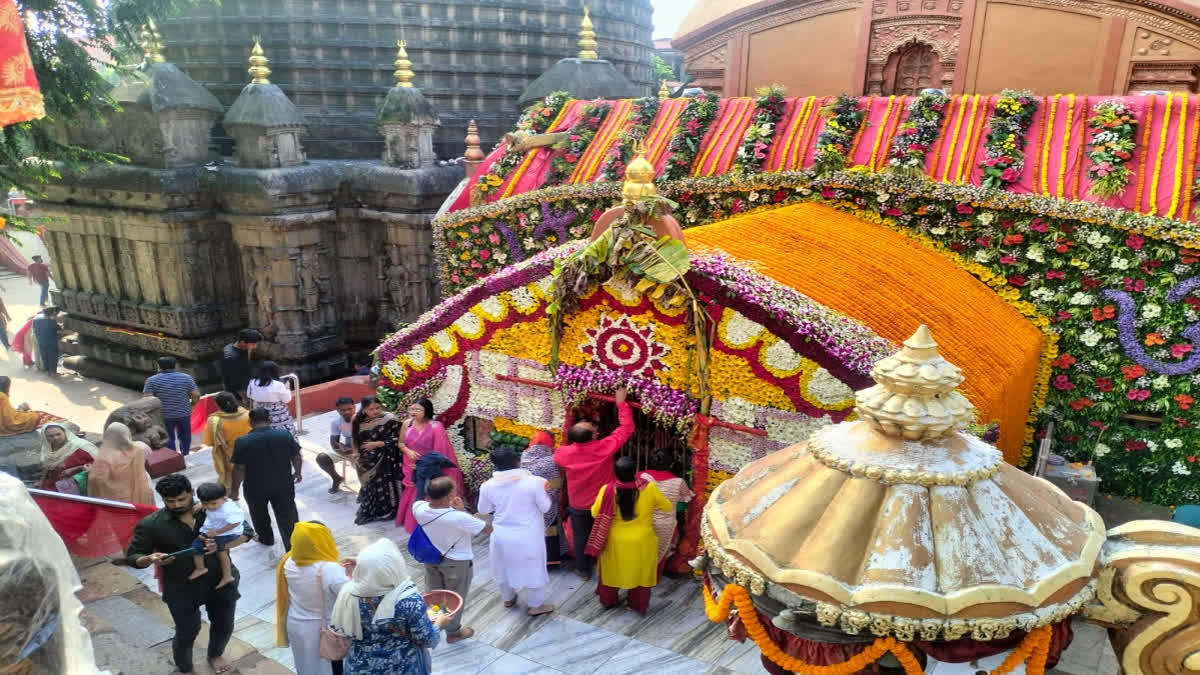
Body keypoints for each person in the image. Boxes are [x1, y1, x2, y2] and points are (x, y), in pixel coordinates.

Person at [125, 474, 254, 674]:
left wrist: (223, 544)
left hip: (220, 578)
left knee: (224, 622)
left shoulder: (215, 508)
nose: (176, 505)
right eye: (170, 501)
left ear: (192, 493)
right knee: (187, 630)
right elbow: (133, 556)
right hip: (181, 585)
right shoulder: (151, 524)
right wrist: (149, 559)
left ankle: (215, 654)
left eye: (181, 499)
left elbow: (247, 531)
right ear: (163, 499)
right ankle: (185, 666)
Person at [330, 538, 450, 675]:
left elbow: (374, 572)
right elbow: (427, 639)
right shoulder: (408, 600)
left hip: (359, 666)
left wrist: (366, 564)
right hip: (402, 667)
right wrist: (440, 622)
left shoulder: (349, 592)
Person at [554, 386, 634, 579]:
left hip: (578, 503)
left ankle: (583, 570)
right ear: (593, 437)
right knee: (608, 533)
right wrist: (621, 403)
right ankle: (607, 567)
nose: (597, 430)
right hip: (604, 503)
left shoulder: (562, 454)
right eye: (594, 430)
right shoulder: (603, 448)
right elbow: (627, 428)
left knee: (581, 537)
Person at [590, 455, 672, 615]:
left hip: (614, 540)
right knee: (641, 575)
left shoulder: (607, 490)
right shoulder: (649, 488)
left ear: (615, 473)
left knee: (611, 571)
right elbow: (667, 507)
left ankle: (608, 600)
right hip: (642, 540)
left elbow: (594, 513)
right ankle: (637, 605)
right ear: (635, 473)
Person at [477, 448, 554, 615]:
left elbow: (483, 509)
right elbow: (546, 507)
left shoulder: (487, 486)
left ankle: (508, 598)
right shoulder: (535, 482)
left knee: (503, 567)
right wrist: (548, 493)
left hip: (501, 535)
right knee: (534, 568)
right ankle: (535, 605)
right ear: (518, 461)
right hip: (529, 535)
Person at [412, 476, 489, 643]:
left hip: (431, 558)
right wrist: (461, 510)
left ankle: (435, 625)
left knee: (435, 593)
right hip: (456, 563)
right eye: (454, 489)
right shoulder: (458, 517)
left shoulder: (418, 508)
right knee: (455, 596)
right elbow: (487, 528)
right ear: (448, 496)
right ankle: (453, 633)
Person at [277, 522, 353, 675]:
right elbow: (352, 596)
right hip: (323, 631)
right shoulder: (330, 569)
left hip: (296, 625)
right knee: (330, 667)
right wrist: (351, 575)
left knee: (305, 666)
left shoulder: (289, 560)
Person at [231, 407, 302, 552]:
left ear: (250, 422)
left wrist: (234, 491)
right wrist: (298, 472)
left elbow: (238, 468)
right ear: (269, 420)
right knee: (288, 515)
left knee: (259, 514)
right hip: (283, 484)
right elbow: (296, 456)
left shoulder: (243, 442)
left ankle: (266, 539)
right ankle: (293, 546)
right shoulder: (284, 434)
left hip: (255, 487)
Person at [395, 399, 466, 533]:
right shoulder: (407, 424)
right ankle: (413, 522)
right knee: (412, 491)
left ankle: (432, 522)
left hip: (429, 465)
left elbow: (439, 451)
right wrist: (408, 451)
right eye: (411, 409)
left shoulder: (435, 426)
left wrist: (423, 464)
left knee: (428, 491)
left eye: (418, 410)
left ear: (426, 411)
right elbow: (401, 444)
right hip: (410, 462)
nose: (413, 412)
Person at [640, 448, 694, 576]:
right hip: (666, 524)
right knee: (660, 551)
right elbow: (688, 498)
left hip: (642, 520)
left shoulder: (641, 476)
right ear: (671, 465)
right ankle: (652, 577)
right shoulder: (679, 482)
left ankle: (638, 574)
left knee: (641, 549)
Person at [351, 396, 403, 525]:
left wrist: (378, 444)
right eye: (371, 409)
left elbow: (400, 440)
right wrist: (356, 453)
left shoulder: (390, 419)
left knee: (384, 485)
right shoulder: (356, 419)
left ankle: (387, 511)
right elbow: (354, 438)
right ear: (363, 409)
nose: (375, 411)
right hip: (366, 461)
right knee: (369, 486)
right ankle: (371, 511)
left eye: (378, 408)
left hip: (386, 459)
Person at [520, 431, 565, 566]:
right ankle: (550, 560)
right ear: (549, 442)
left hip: (529, 501)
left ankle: (531, 558)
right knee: (550, 530)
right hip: (547, 500)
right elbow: (556, 482)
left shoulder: (525, 456)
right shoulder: (552, 460)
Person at [188, 482, 243, 589]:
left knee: (218, 551)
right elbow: (208, 504)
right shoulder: (214, 503)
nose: (209, 506)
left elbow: (235, 523)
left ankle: (206, 570)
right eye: (205, 503)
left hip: (229, 533)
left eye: (213, 503)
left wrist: (218, 532)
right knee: (210, 547)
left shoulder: (228, 510)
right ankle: (222, 574)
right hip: (217, 529)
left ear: (224, 499)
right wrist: (201, 506)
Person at [143, 356, 202, 455]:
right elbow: (196, 395)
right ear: (175, 366)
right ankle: (185, 454)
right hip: (183, 412)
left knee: (168, 437)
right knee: (185, 435)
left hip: (164, 415)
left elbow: (148, 400)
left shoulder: (151, 380)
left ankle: (173, 456)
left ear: (159, 367)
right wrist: (191, 404)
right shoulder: (186, 377)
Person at [88, 421, 153, 505]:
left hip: (116, 497)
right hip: (142, 487)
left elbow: (97, 479)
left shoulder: (104, 456)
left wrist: (90, 470)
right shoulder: (140, 447)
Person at [203, 391, 252, 489]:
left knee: (231, 487)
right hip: (252, 457)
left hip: (231, 462)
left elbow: (210, 442)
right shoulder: (248, 414)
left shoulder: (214, 421)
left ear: (217, 405)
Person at [37, 421, 99, 491]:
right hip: (54, 484)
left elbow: (100, 464)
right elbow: (47, 467)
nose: (55, 438)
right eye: (50, 436)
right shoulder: (48, 448)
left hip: (80, 485)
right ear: (45, 437)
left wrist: (76, 469)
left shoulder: (82, 446)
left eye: (58, 434)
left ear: (65, 433)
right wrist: (41, 482)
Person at [316, 397, 356, 493]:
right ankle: (336, 478)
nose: (347, 412)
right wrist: (340, 447)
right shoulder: (336, 422)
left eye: (349, 409)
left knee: (364, 463)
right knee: (322, 458)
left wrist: (353, 450)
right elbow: (333, 442)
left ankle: (365, 488)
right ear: (338, 410)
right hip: (347, 450)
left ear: (354, 408)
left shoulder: (362, 420)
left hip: (361, 451)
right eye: (343, 410)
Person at [247, 360, 297, 436]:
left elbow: (249, 395)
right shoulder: (278, 385)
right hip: (279, 416)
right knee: (285, 434)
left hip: (262, 414)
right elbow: (287, 399)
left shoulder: (252, 382)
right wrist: (287, 388)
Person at [221, 328, 261, 407]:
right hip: (239, 393)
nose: (255, 347)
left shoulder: (230, 347)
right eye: (253, 344)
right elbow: (236, 382)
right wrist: (247, 398)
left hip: (242, 386)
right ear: (242, 342)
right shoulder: (233, 358)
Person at [31, 307, 61, 376]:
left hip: (41, 341)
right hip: (51, 343)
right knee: (52, 357)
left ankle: (48, 371)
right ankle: (53, 372)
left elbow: (34, 328)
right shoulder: (51, 321)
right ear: (51, 313)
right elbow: (59, 329)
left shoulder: (36, 319)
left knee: (45, 357)